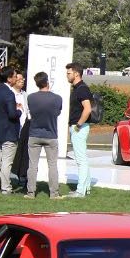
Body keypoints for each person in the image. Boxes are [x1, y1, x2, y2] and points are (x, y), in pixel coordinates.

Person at [23, 71, 62, 199]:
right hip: (51, 135)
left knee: (32, 165)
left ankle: (31, 193)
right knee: (52, 165)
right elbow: (57, 113)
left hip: (34, 134)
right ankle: (54, 193)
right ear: (47, 82)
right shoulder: (57, 98)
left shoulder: (31, 98)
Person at [0, 67, 23, 194]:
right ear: (9, 78)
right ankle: (6, 187)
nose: (16, 78)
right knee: (7, 161)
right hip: (8, 131)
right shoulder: (9, 93)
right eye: (14, 76)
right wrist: (19, 110)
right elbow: (12, 114)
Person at [65, 61, 94, 197]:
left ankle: (80, 190)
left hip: (79, 127)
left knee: (81, 160)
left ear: (76, 73)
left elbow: (87, 109)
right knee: (82, 159)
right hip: (79, 127)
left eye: (69, 73)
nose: (67, 75)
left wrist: (78, 125)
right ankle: (86, 187)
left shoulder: (82, 89)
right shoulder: (78, 88)